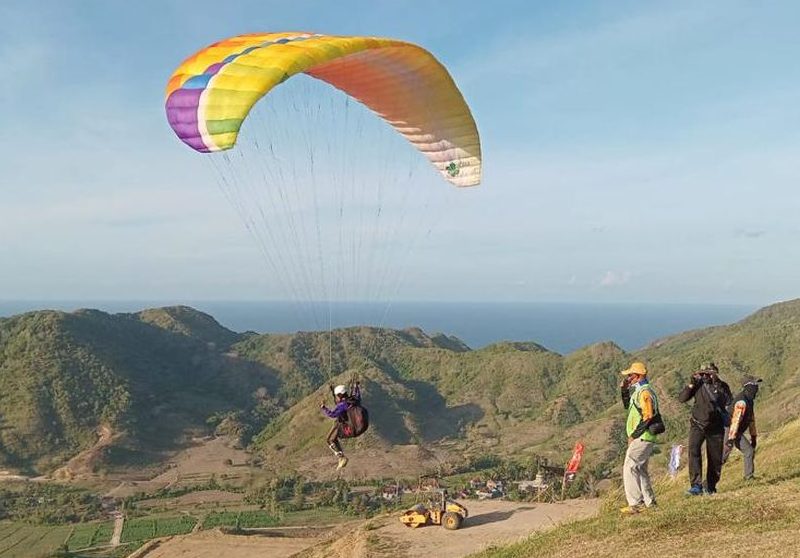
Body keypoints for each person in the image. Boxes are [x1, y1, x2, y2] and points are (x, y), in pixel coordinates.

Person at [678, 362, 732, 495]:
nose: (706, 376)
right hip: (697, 424)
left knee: (715, 457)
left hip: (715, 426)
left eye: (708, 373)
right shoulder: (698, 385)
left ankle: (711, 486)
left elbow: (728, 401)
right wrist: (691, 384)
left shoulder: (722, 386)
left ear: (715, 373)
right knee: (694, 451)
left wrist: (716, 385)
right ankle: (696, 485)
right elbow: (682, 398)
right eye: (703, 373)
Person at [619, 362, 663, 514]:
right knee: (640, 469)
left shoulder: (644, 392)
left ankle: (636, 504)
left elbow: (648, 415)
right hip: (645, 437)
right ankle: (650, 502)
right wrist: (624, 390)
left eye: (630, 376)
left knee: (630, 467)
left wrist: (634, 435)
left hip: (643, 437)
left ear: (637, 376)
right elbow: (628, 407)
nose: (628, 378)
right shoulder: (639, 391)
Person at [724, 375, 762, 480]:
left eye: (756, 384)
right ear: (747, 386)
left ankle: (749, 477)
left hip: (736, 431)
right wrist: (731, 439)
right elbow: (735, 420)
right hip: (730, 429)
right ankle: (706, 483)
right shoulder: (742, 401)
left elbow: (751, 419)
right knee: (723, 456)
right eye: (754, 384)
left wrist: (753, 436)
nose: (756, 387)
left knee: (749, 451)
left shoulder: (750, 400)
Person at [320, 382, 361, 470]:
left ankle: (341, 457)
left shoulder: (342, 405)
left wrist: (323, 408)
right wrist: (356, 386)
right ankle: (341, 457)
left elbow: (332, 414)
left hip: (347, 427)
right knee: (333, 438)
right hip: (357, 426)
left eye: (337, 396)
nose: (337, 398)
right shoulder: (354, 399)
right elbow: (357, 393)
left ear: (340, 395)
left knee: (329, 439)